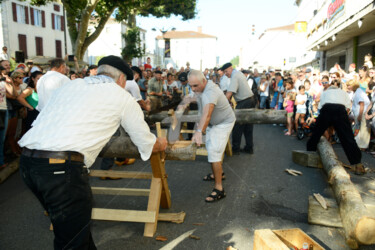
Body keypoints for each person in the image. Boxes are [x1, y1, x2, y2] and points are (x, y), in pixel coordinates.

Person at [18, 55, 167, 249]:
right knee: (72, 242)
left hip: (28, 162)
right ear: (121, 79)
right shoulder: (121, 95)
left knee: (76, 232)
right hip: (60, 169)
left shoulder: (71, 85)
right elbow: (144, 141)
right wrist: (161, 143)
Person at [183, 70, 235, 202]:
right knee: (211, 148)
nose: (193, 89)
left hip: (223, 123)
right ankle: (219, 174)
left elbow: (207, 113)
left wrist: (199, 131)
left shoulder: (211, 91)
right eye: (191, 86)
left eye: (195, 86)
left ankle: (219, 189)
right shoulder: (202, 87)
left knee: (213, 152)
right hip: (214, 122)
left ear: (204, 81)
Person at [306, 79, 365, 175]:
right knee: (347, 137)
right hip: (340, 110)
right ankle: (357, 163)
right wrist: (343, 121)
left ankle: (310, 151)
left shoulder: (325, 93)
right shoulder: (343, 92)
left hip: (327, 109)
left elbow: (320, 107)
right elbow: (347, 107)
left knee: (317, 132)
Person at [222, 62, 255, 154]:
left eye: (226, 71)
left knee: (237, 126)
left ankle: (235, 149)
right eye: (224, 72)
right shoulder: (238, 74)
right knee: (248, 126)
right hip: (250, 100)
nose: (226, 74)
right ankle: (249, 147)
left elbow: (229, 94)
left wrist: (221, 105)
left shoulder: (234, 76)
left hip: (244, 102)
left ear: (230, 68)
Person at [352, 81, 371, 150]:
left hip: (362, 113)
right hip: (360, 112)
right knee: (361, 129)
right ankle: (360, 145)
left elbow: (361, 104)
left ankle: (363, 146)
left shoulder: (358, 93)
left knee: (363, 130)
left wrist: (360, 115)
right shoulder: (359, 92)